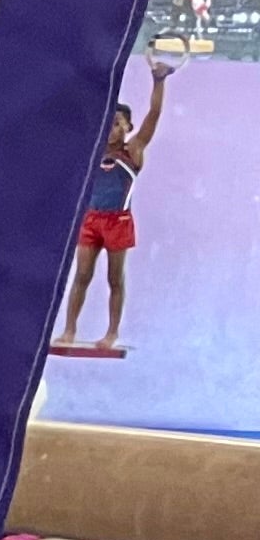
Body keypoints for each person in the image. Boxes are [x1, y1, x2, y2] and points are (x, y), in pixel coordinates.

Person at [54, 61, 173, 354]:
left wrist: (158, 82)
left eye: (120, 123)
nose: (114, 127)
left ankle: (111, 332)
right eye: (110, 121)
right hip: (91, 220)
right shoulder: (92, 149)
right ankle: (69, 329)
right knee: (81, 275)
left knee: (114, 278)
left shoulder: (133, 151)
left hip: (118, 222)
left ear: (129, 128)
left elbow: (154, 115)